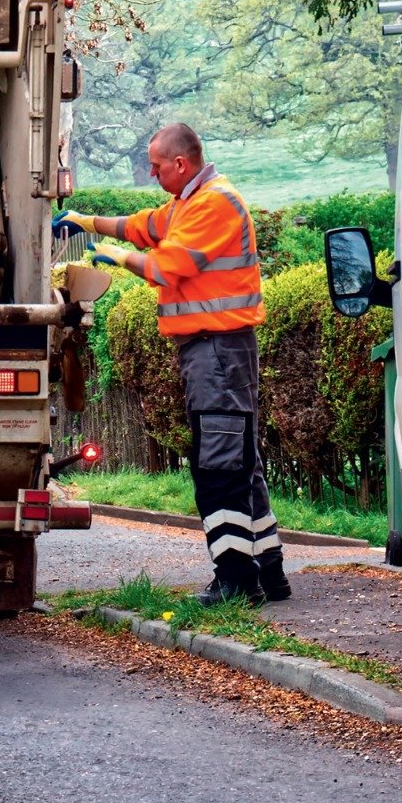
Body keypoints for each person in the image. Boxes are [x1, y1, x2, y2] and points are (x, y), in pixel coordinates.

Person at [54, 123, 290, 607]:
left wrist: (107, 255)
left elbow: (165, 267)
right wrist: (88, 221)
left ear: (180, 165)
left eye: (156, 166)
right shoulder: (190, 202)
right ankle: (268, 570)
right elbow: (144, 225)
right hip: (216, 349)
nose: (151, 172)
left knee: (219, 468)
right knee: (241, 462)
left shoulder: (213, 204)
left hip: (218, 350)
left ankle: (235, 583)